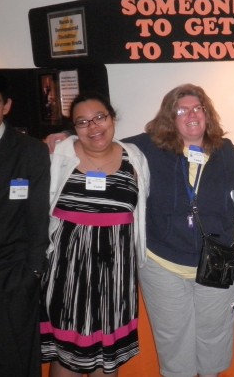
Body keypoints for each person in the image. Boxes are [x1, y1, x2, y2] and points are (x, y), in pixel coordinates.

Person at [46, 84, 234, 377]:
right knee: (174, 345)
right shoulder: (149, 146)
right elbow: (100, 138)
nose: (191, 115)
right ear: (170, 115)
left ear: (207, 113)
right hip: (163, 264)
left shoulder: (225, 150)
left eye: (198, 108)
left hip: (216, 263)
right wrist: (65, 137)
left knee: (213, 342)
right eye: (182, 110)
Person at [40, 93, 150, 376]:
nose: (94, 127)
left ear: (112, 118)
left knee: (107, 358)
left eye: (100, 117)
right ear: (73, 128)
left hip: (116, 273)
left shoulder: (134, 157)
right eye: (82, 122)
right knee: (66, 358)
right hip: (67, 271)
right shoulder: (58, 154)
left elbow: (141, 208)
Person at [0, 67, 50, 376]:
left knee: (14, 367)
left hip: (10, 280)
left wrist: (31, 274)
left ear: (7, 106)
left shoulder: (31, 151)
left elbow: (37, 218)